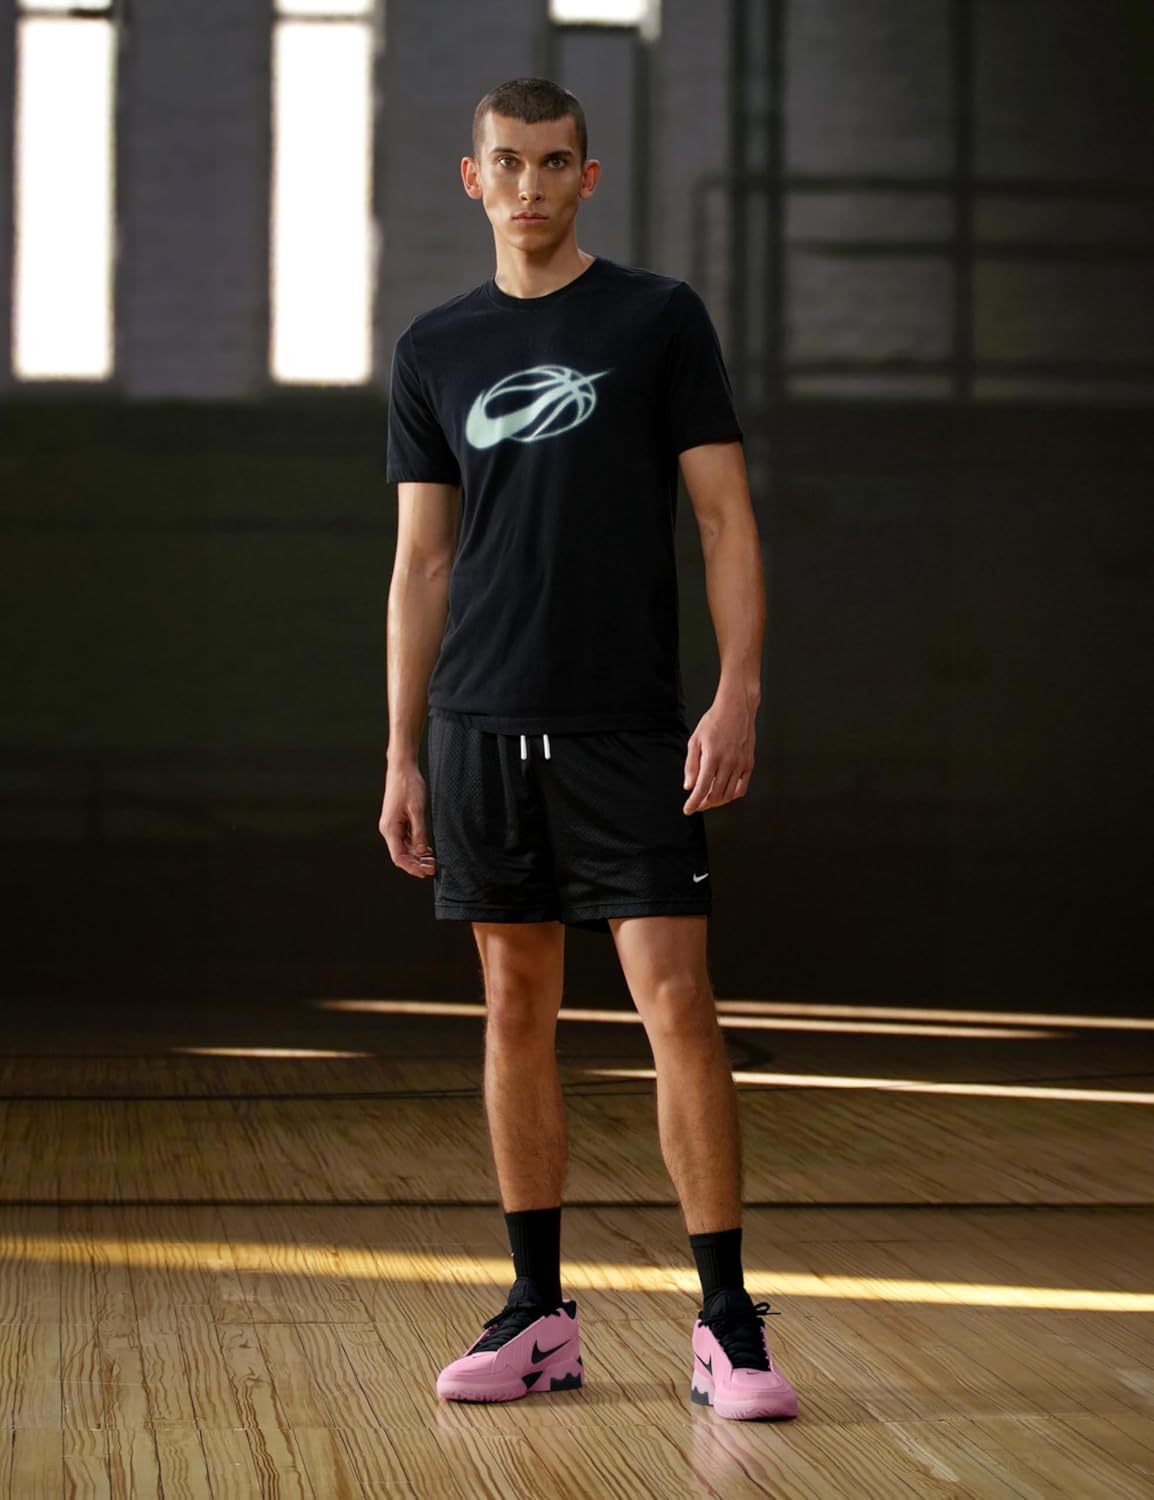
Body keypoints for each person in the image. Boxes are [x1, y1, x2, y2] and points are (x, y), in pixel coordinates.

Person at [380, 76, 797, 1422]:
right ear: (473, 178)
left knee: (678, 1007)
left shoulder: (656, 319)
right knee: (514, 1011)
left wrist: (735, 693)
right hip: (479, 729)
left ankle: (726, 1324)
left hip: (627, 729)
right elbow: (422, 563)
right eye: (507, 163)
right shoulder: (434, 348)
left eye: (554, 163)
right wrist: (400, 751)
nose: (531, 186)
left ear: (587, 177)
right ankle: (537, 1315)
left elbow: (725, 521)